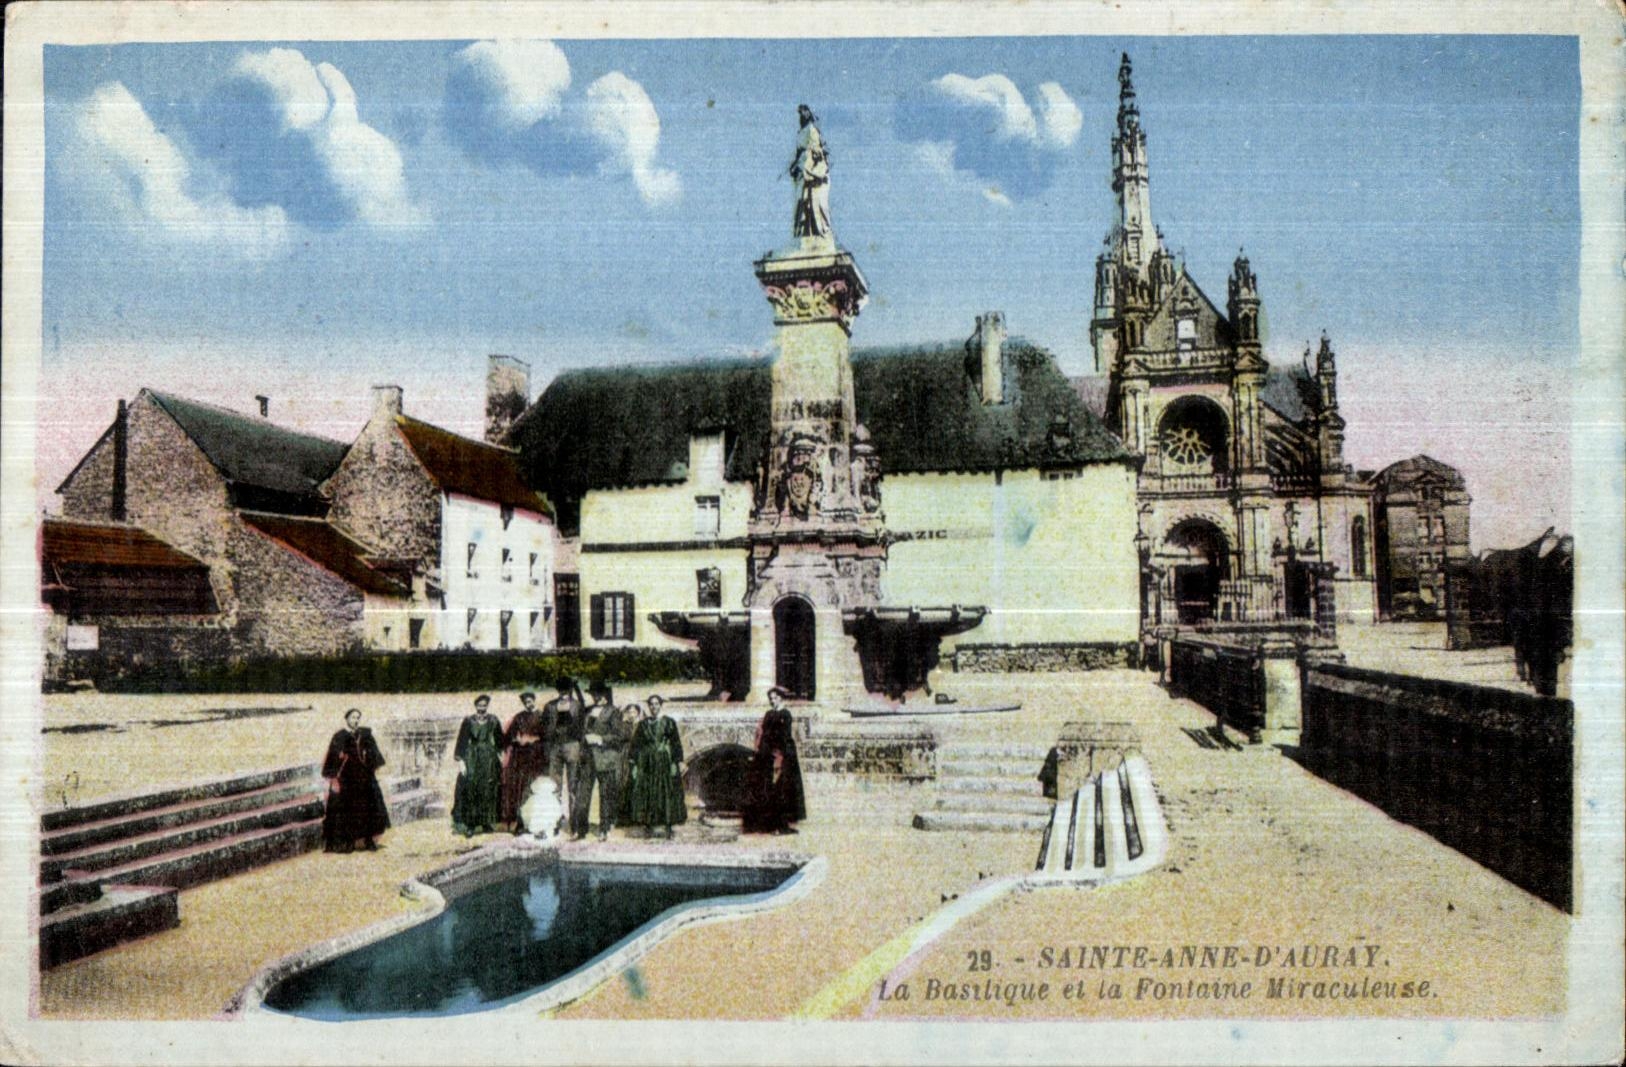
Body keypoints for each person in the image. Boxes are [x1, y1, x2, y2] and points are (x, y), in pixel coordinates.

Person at [320, 708, 390, 853]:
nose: (356, 720)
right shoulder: (339, 736)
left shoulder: (365, 734)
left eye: (358, 717)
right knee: (348, 810)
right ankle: (349, 842)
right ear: (346, 719)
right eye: (353, 717)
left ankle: (369, 840)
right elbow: (332, 758)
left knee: (370, 808)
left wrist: (371, 762)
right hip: (347, 780)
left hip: (364, 778)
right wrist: (334, 779)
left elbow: (374, 754)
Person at [742, 687, 806, 835]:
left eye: (775, 698)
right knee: (765, 789)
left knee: (782, 791)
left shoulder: (785, 714)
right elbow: (763, 733)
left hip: (782, 756)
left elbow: (784, 737)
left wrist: (779, 757)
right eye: (771, 698)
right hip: (766, 756)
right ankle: (767, 825)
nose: (772, 701)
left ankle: (782, 826)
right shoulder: (769, 714)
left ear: (781, 698)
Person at [624, 695, 687, 838]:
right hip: (647, 763)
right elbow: (636, 746)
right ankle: (649, 827)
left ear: (661, 705)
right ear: (648, 707)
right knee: (649, 793)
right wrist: (634, 764)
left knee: (666, 792)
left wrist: (678, 762)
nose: (654, 707)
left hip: (664, 761)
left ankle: (668, 827)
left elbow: (676, 743)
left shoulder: (669, 722)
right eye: (651, 704)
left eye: (656, 704)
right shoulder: (643, 725)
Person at [573, 681, 630, 841]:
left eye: (599, 694)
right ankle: (581, 830)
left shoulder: (613, 712)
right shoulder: (588, 711)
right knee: (583, 795)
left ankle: (604, 829)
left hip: (605, 758)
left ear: (606, 695)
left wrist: (600, 739)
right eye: (594, 694)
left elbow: (620, 736)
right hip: (587, 758)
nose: (597, 697)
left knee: (605, 795)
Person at [451, 694, 503, 837]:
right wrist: (461, 761)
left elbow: (500, 741)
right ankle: (470, 825)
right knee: (471, 789)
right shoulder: (468, 721)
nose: (482, 708)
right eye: (479, 705)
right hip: (472, 758)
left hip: (489, 758)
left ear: (487, 706)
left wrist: (501, 756)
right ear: (476, 706)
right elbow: (462, 741)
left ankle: (486, 822)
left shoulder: (493, 720)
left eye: (484, 705)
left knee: (487, 789)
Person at [501, 691, 549, 833]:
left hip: (536, 757)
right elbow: (508, 736)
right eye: (525, 702)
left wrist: (534, 739)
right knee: (520, 788)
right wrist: (517, 740)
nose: (528, 704)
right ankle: (520, 822)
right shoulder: (519, 717)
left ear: (534, 700)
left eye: (530, 701)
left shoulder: (541, 716)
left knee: (534, 787)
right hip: (521, 757)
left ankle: (537, 822)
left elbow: (547, 736)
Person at [542, 678, 585, 815]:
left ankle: (575, 820)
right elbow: (544, 726)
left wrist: (580, 746)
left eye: (566, 690)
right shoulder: (550, 706)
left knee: (573, 785)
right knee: (554, 786)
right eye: (561, 690)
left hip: (572, 746)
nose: (563, 693)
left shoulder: (577, 705)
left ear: (570, 690)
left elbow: (583, 726)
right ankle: (555, 819)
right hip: (555, 747)